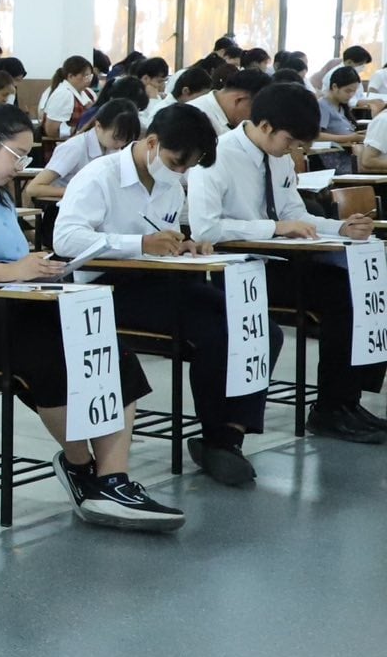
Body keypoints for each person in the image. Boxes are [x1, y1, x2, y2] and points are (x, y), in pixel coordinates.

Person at [0, 101, 182, 531]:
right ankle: (82, 467)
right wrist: (15, 271)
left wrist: (38, 267)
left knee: (105, 344)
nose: (23, 168)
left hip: (7, 306)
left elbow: (8, 259)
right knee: (47, 352)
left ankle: (114, 479)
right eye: (18, 156)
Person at [51, 104, 272, 485]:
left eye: (188, 167)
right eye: (176, 162)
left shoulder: (169, 180)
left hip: (161, 281)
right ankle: (217, 439)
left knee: (258, 325)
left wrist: (187, 245)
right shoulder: (98, 176)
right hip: (106, 288)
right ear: (152, 142)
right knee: (215, 333)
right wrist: (139, 243)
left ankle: (228, 436)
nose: (180, 172)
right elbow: (65, 239)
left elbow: (171, 232)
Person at [187, 80, 383, 443]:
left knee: (359, 288)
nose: (293, 150)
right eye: (289, 141)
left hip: (279, 258)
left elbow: (295, 214)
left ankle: (343, 402)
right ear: (264, 126)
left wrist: (342, 227)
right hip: (236, 266)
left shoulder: (276, 159)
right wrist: (275, 227)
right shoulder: (216, 156)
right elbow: (206, 229)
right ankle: (331, 408)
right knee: (341, 294)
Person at [24, 97, 141, 203]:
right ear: (98, 126)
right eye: (116, 138)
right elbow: (34, 188)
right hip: (64, 210)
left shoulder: (112, 148)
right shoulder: (74, 148)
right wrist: (76, 191)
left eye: (126, 140)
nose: (120, 144)